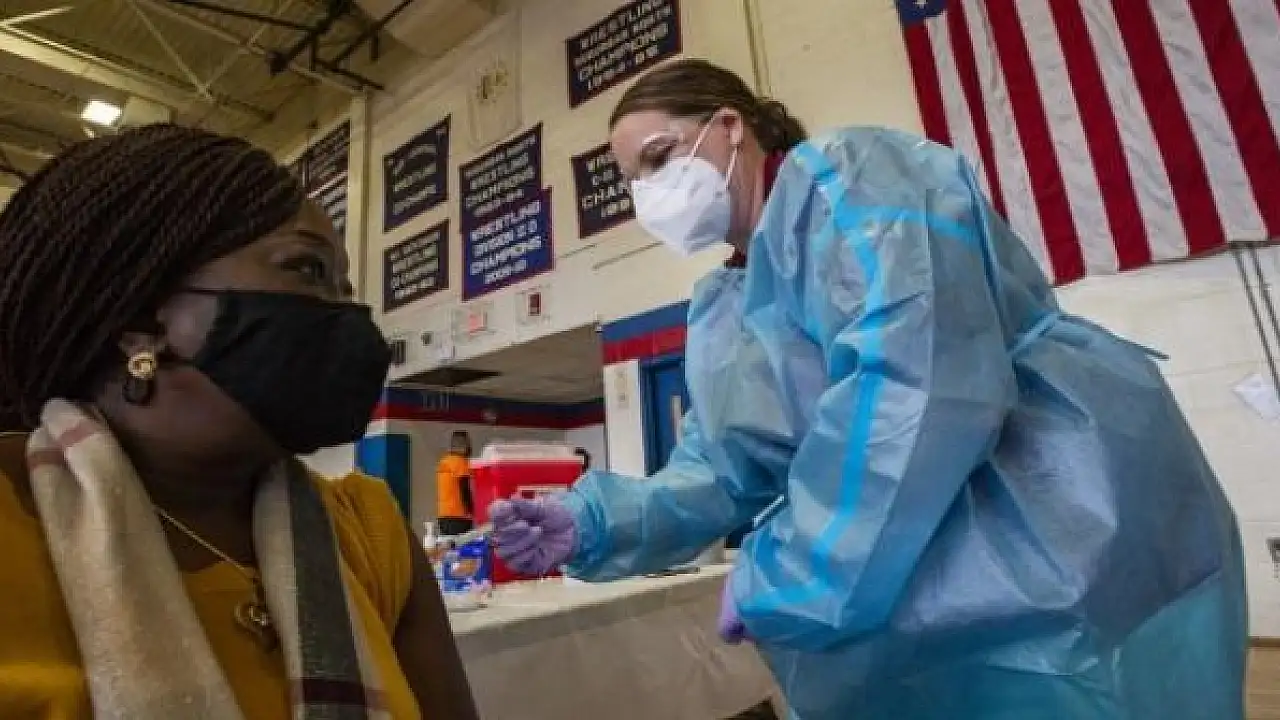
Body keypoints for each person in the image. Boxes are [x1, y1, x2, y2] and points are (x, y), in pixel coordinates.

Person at [489, 59, 1247, 719]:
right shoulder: (727, 309)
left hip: (1055, 522)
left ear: (729, 127)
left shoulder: (847, 179)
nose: (648, 193)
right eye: (632, 180)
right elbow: (722, 468)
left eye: (658, 158)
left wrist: (790, 573)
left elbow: (917, 382)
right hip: (911, 581)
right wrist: (597, 522)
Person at [0, 125, 478, 719]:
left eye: (345, 288)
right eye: (308, 270)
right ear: (142, 325)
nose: (348, 315)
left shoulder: (372, 536)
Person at [436, 430, 475, 537]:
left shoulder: (444, 461)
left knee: (450, 545)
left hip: (444, 516)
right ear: (464, 445)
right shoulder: (460, 462)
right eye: (468, 443)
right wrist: (471, 510)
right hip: (459, 516)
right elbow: (464, 488)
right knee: (462, 546)